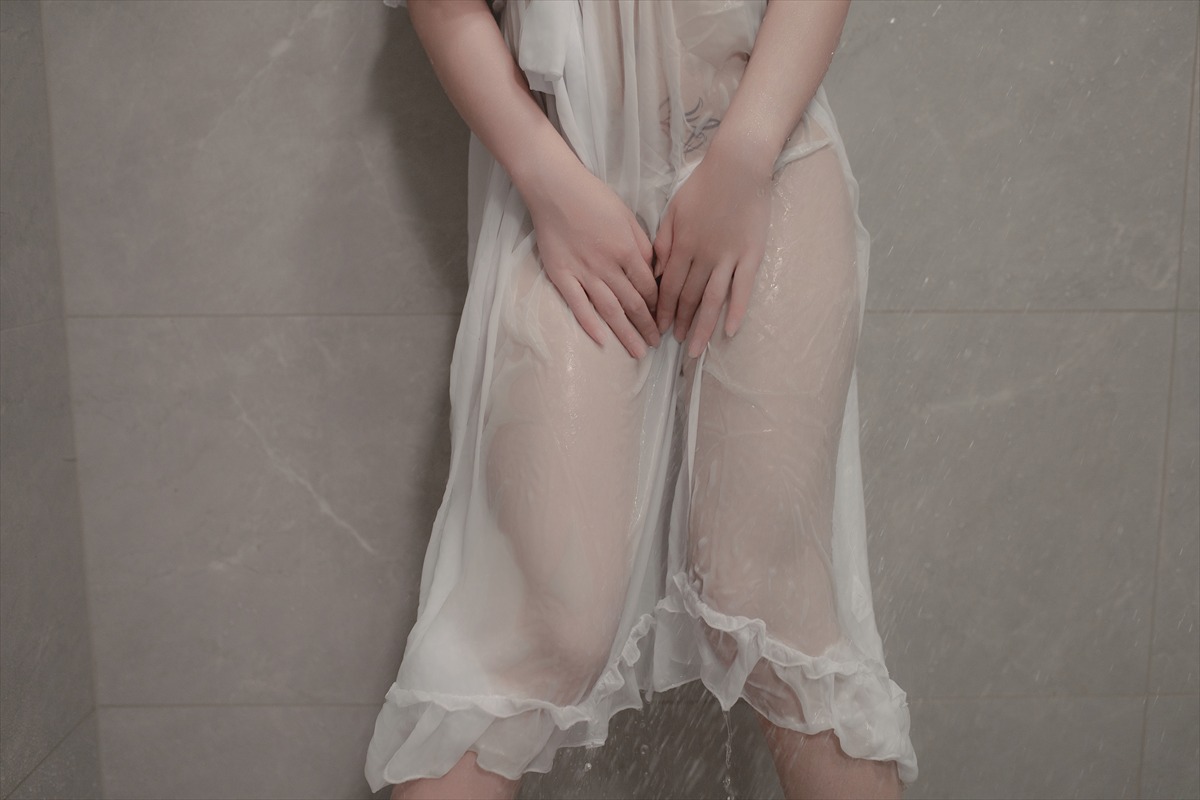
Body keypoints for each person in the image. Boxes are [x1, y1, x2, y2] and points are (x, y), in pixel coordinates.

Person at [365, 1, 919, 798]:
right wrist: (548, 182)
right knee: (545, 624)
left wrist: (744, 159)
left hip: (765, 161)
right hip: (568, 182)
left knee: (767, 592)